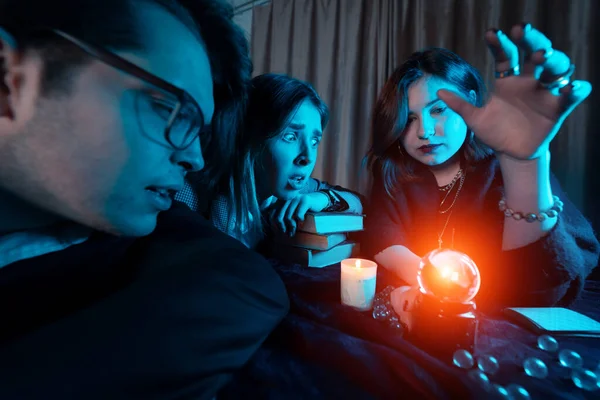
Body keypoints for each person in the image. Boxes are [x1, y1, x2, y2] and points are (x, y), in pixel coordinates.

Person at [0, 0, 288, 398]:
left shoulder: (164, 248)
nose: (195, 158)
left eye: (199, 131)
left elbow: (247, 281)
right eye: (166, 108)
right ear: (9, 78)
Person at [362, 23, 599, 323]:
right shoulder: (398, 173)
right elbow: (381, 235)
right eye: (409, 119)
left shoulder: (498, 174)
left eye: (438, 110)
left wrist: (526, 164)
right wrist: (427, 277)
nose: (424, 131)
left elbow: (541, 291)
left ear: (471, 102)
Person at [177, 73, 363, 248]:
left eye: (314, 141)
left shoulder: (294, 187)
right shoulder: (189, 196)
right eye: (290, 136)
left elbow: (359, 202)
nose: (307, 157)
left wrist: (322, 198)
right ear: (253, 138)